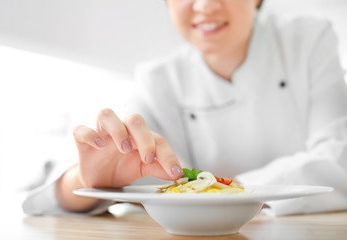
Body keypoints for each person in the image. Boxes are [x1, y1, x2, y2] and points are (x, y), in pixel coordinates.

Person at [23, 0, 347, 216]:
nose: (205, 6)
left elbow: (338, 158)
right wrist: (89, 180)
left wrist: (223, 193)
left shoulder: (308, 41)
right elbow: (91, 180)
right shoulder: (159, 79)